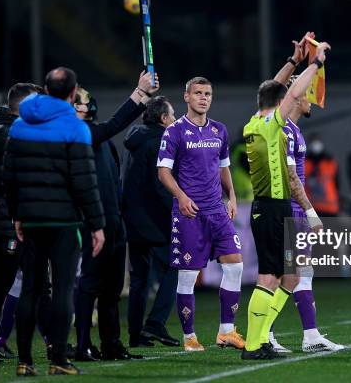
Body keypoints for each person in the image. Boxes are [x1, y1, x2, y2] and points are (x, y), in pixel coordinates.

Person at [4, 67, 105, 376]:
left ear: (45, 89)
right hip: (64, 222)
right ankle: (59, 359)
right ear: (73, 93)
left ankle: (24, 362)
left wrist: (17, 214)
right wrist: (97, 223)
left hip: (31, 221)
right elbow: (84, 182)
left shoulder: (19, 124)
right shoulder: (76, 128)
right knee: (62, 290)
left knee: (31, 290)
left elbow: (8, 177)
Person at [241, 39, 335, 360]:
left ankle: (261, 340)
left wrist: (293, 61)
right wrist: (316, 63)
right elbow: (291, 93)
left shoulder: (253, 123)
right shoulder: (272, 127)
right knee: (269, 277)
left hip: (266, 207)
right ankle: (256, 342)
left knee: (284, 276)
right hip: (275, 206)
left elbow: (275, 90)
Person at [263, 35, 344, 353]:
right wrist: (311, 212)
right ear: (295, 97)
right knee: (283, 275)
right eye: (307, 91)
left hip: (292, 211)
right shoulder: (281, 130)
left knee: (300, 272)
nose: (313, 96)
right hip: (286, 210)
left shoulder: (293, 130)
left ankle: (310, 335)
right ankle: (264, 334)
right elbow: (291, 179)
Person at [73, 73, 158, 362]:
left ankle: (111, 344)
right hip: (93, 221)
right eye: (78, 100)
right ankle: (83, 343)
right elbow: (113, 125)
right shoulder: (77, 133)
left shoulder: (102, 140)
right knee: (89, 284)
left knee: (110, 289)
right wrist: (140, 94)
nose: (83, 104)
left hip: (114, 221)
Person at [157, 77, 244, 352]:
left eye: (207, 93)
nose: (203, 98)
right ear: (186, 97)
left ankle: (226, 332)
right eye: (198, 93)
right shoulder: (174, 131)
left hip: (217, 211)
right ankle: (189, 337)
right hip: (190, 214)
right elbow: (163, 172)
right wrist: (181, 197)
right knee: (187, 277)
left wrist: (231, 196)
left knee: (236, 265)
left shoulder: (219, 130)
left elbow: (224, 167)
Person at [0, 83, 44, 362]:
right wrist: (0, 217)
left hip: (26, 222)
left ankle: (51, 344)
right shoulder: (5, 133)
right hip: (11, 224)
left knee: (39, 284)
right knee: (2, 283)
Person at [122, 96, 179, 348]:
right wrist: (179, 209)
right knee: (174, 268)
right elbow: (160, 186)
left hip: (133, 220)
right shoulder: (159, 142)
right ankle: (155, 323)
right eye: (173, 115)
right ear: (163, 119)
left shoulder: (134, 140)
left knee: (140, 279)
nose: (176, 120)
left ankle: (136, 334)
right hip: (153, 220)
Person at [304, 133, 340, 217]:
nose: (315, 145)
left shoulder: (330, 162)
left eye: (317, 141)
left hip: (329, 208)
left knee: (328, 230)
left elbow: (337, 183)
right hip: (311, 209)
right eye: (313, 141)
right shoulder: (303, 163)